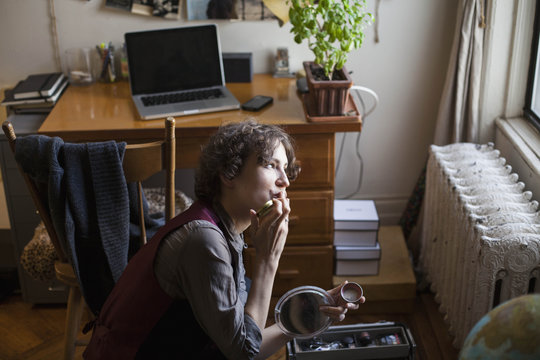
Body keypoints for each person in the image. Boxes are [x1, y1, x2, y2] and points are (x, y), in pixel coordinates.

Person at [83, 119, 365, 359]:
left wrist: (308, 315)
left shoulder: (225, 230)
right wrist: (268, 259)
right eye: (270, 165)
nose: (285, 181)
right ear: (229, 174)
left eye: (286, 168)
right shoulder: (203, 240)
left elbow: (244, 344)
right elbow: (243, 353)